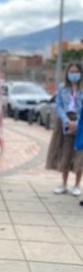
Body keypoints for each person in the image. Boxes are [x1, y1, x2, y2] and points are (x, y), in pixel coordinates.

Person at [46, 62, 83, 197]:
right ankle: (63, 184)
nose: (74, 74)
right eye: (71, 72)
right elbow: (59, 105)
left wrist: (77, 123)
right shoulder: (62, 88)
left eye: (76, 72)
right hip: (64, 122)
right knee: (65, 152)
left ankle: (77, 185)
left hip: (80, 122)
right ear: (67, 73)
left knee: (79, 153)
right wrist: (67, 121)